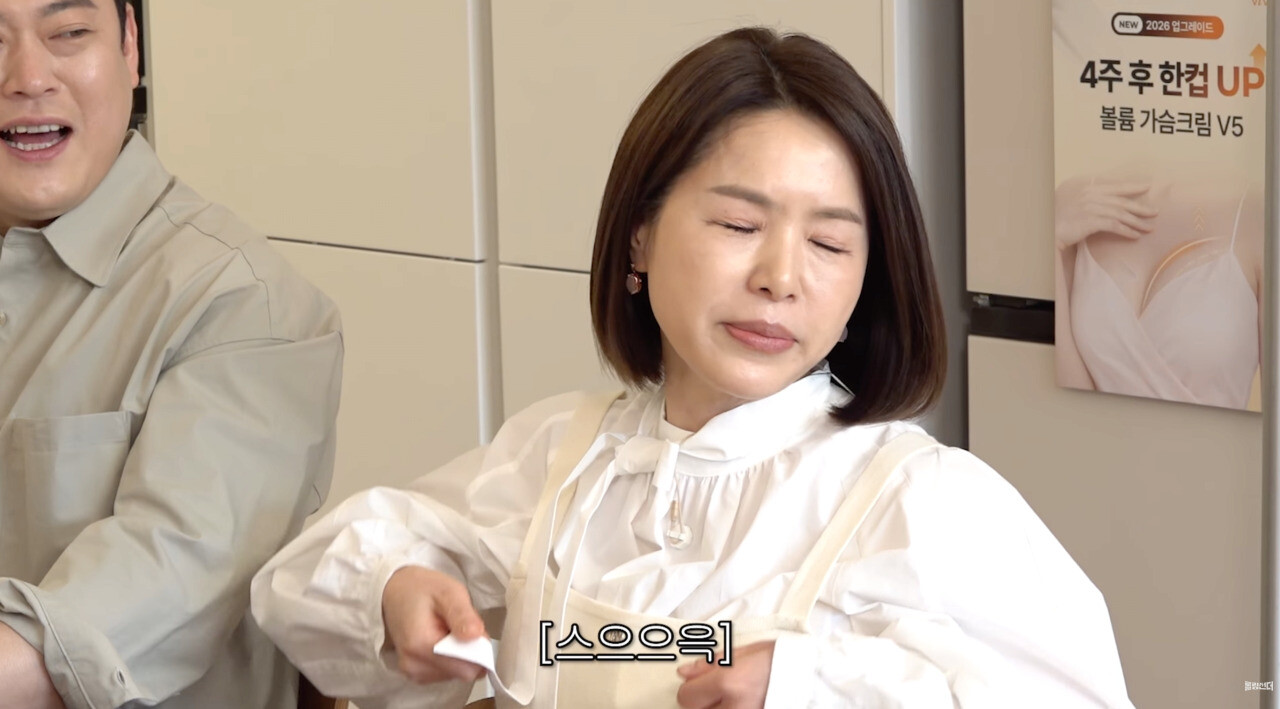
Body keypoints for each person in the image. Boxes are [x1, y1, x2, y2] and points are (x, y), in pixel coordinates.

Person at [252, 27, 1132, 708]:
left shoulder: (923, 503)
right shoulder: (563, 458)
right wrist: (396, 591)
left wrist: (814, 686)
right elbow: (311, 578)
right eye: (739, 226)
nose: (780, 277)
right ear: (639, 236)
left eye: (829, 243)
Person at [0, 1, 343, 707]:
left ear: (130, 46)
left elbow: (139, 594)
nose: (28, 76)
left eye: (68, 33)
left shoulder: (245, 304)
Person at [1054, 172, 1264, 410]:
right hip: (1089, 433)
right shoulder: (1079, 197)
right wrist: (1053, 243)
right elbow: (1074, 404)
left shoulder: (1259, 208)